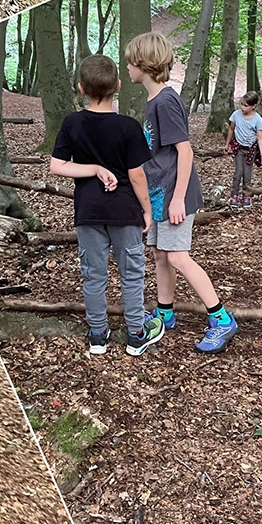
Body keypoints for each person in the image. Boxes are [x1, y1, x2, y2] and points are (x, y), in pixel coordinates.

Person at [125, 31, 239, 352]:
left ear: (144, 64)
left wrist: (177, 198)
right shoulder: (153, 101)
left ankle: (221, 319)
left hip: (176, 196)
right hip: (160, 195)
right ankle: (165, 313)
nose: (127, 66)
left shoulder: (166, 101)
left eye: (131, 60)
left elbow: (185, 152)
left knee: (177, 256)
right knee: (161, 254)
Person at [49, 54, 164, 356]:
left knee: (94, 274)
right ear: (119, 86)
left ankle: (98, 334)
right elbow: (137, 175)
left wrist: (90, 168)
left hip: (89, 213)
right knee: (132, 273)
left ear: (81, 89)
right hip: (125, 212)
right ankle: (136, 334)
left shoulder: (72, 123)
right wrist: (148, 210)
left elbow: (58, 165)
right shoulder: (128, 126)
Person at [225, 91, 262, 208]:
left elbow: (260, 139)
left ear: (253, 106)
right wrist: (227, 144)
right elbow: (231, 129)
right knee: (238, 173)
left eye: (246, 105)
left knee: (247, 174)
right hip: (239, 148)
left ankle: (246, 196)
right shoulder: (236, 115)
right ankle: (234, 195)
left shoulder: (257, 119)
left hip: (251, 150)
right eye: (242, 104)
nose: (242, 107)